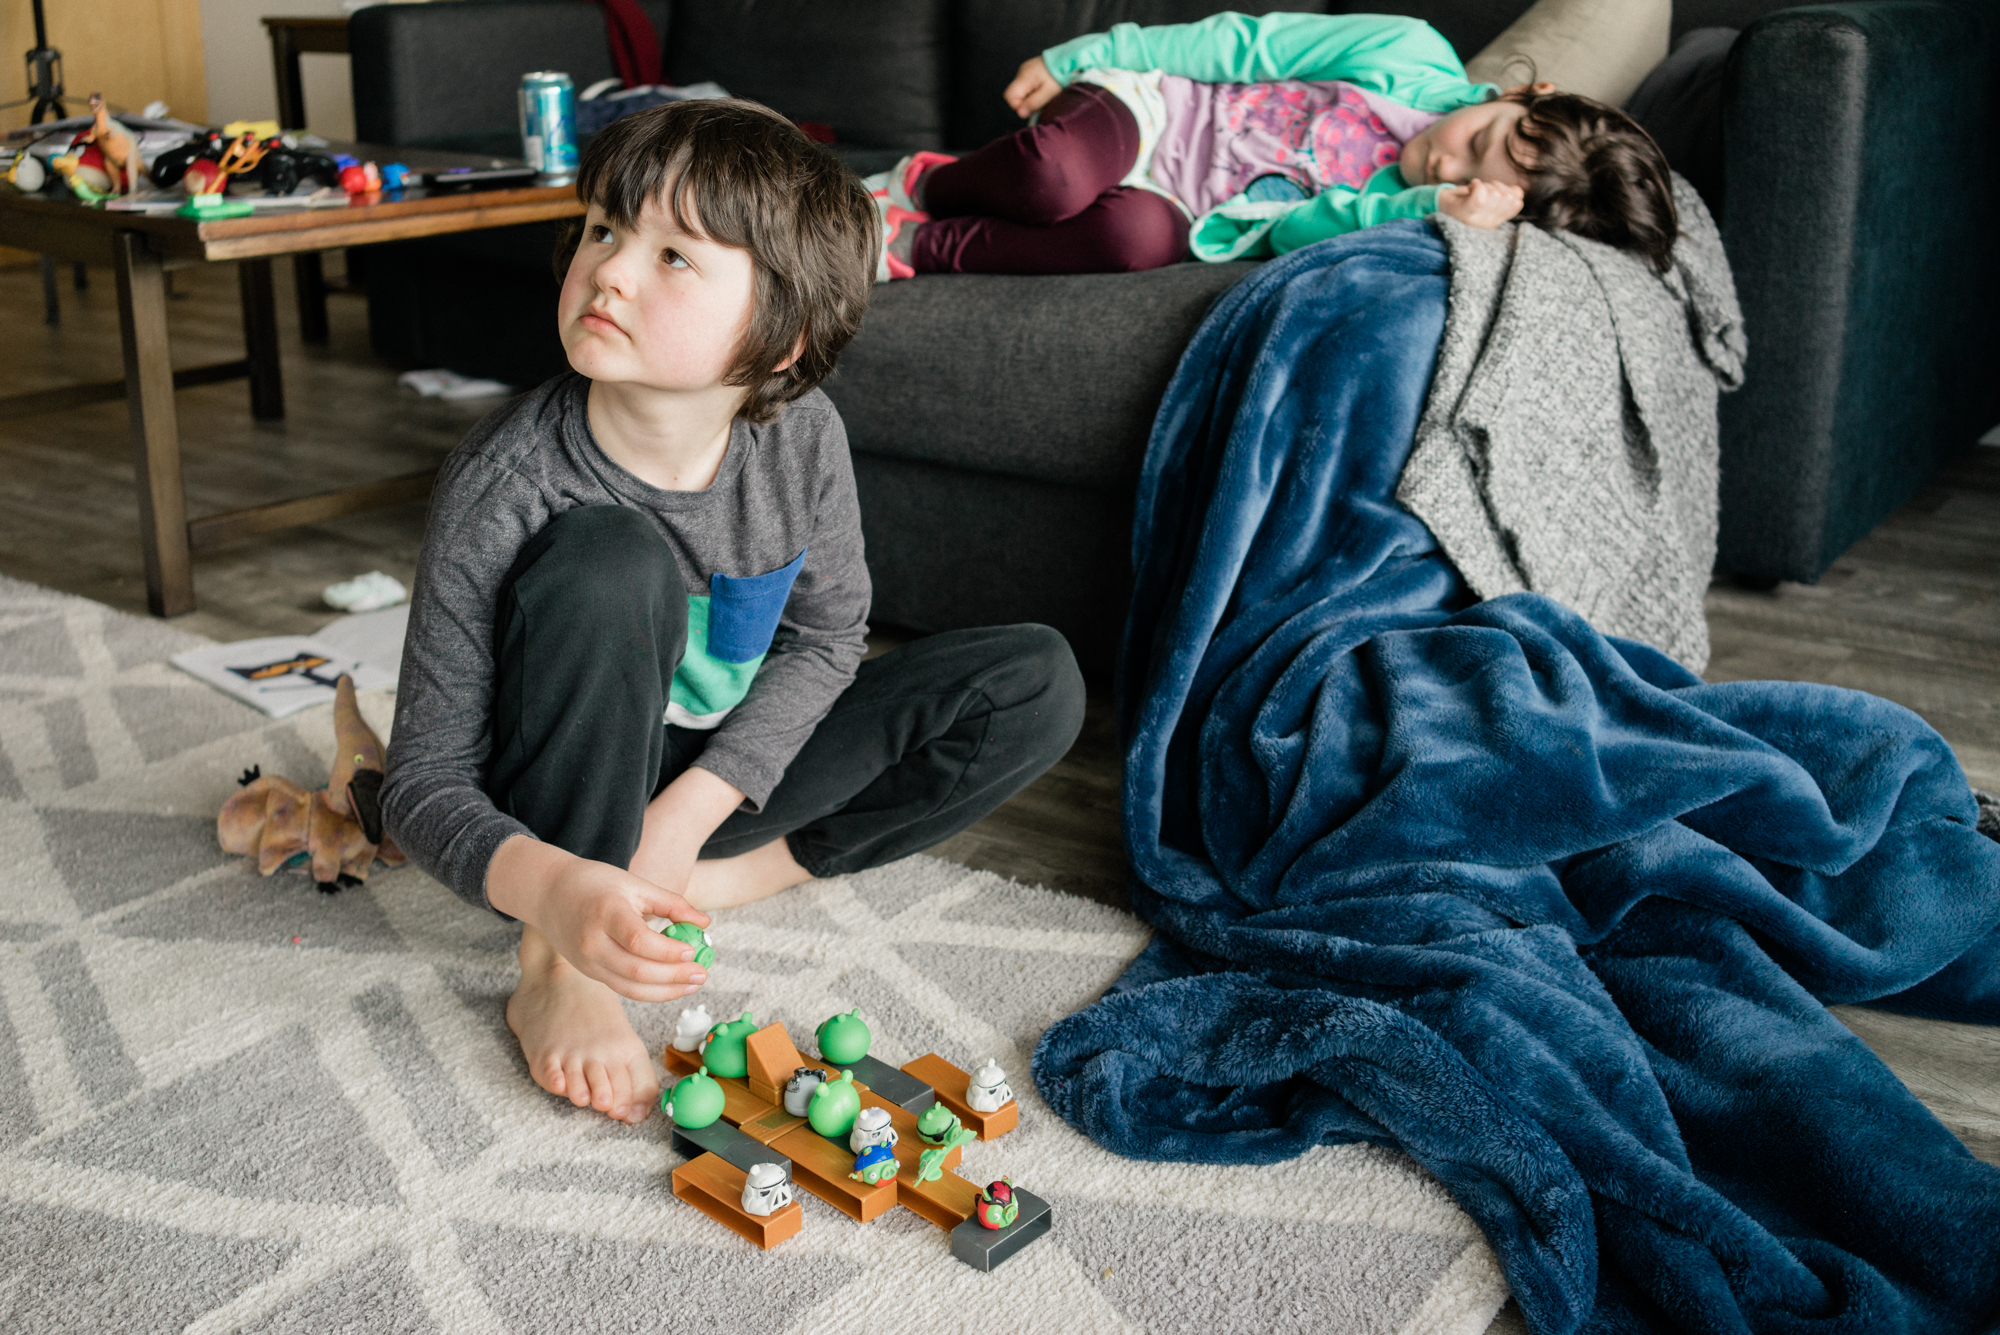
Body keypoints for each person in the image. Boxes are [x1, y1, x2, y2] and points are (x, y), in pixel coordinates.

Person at [381, 99, 1087, 1125]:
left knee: (1036, 681)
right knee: (609, 557)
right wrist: (556, 895)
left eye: (674, 257)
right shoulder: (506, 480)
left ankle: (707, 882)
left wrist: (688, 817)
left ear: (780, 342)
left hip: (710, 783)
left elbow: (827, 636)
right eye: (605, 229)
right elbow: (425, 783)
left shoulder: (801, 439)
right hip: (559, 785)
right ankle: (562, 965)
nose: (610, 269)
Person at [868, 11, 1678, 280]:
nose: (1445, 161)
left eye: (1470, 177)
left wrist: (1430, 206)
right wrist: (1082, 57)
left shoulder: (1430, 209)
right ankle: (931, 183)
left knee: (1130, 240)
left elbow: (1292, 230)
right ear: (1519, 97)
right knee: (1051, 176)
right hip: (1155, 111)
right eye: (1479, 139)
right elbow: (1245, 46)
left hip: (1185, 204)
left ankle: (920, 240)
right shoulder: (1408, 53)